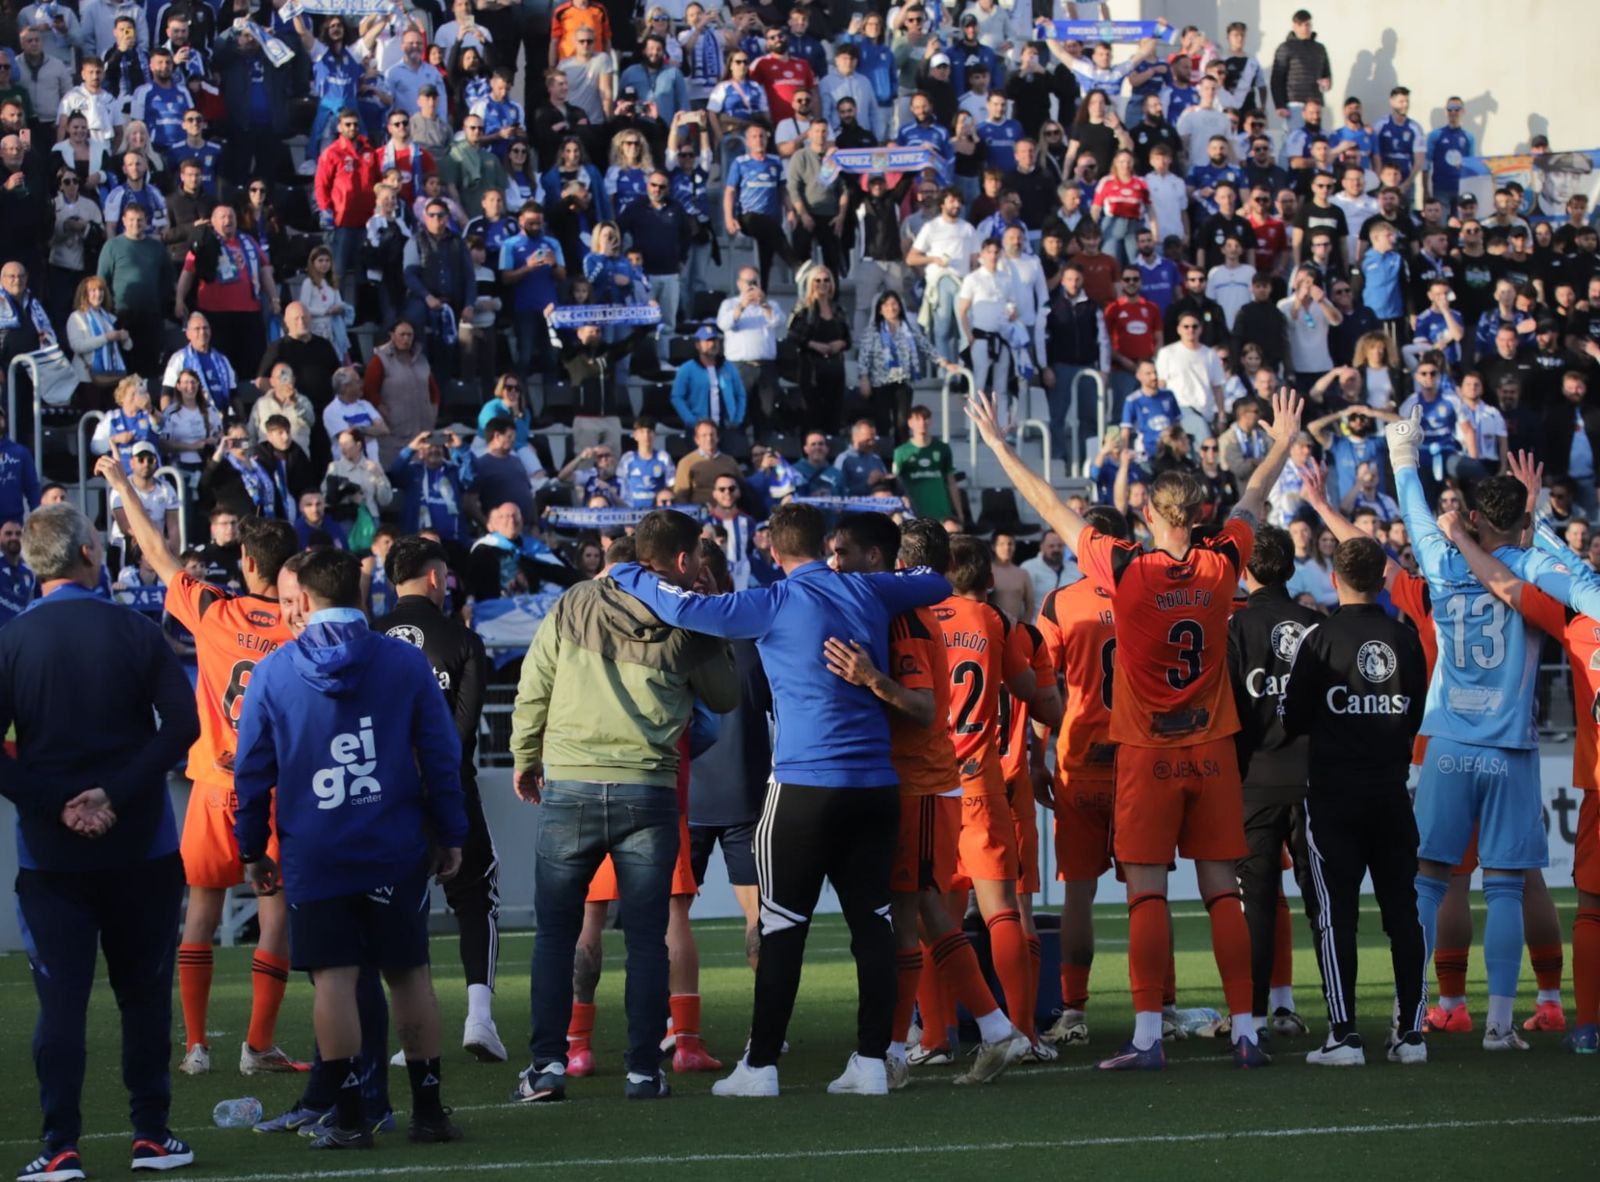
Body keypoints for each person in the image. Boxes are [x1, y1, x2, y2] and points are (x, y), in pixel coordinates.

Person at [968, 385, 1304, 1070]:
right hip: (1212, 750)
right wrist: (1281, 442)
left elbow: (1050, 507)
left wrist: (1002, 445)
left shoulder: (1123, 566)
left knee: (1146, 891)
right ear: (1203, 514)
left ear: (1149, 511)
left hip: (1147, 753)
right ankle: (1246, 1028)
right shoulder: (1222, 562)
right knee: (1221, 891)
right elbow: (1255, 499)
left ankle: (1148, 1036)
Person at [607, 503, 951, 1097]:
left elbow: (684, 607)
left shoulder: (771, 600)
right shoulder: (869, 590)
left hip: (803, 788)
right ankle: (871, 1064)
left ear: (772, 551)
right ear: (826, 545)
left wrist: (625, 572)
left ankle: (761, 1067)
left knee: (782, 926)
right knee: (872, 925)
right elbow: (937, 579)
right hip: (875, 787)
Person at [233, 547, 466, 1149]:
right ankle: (430, 1111)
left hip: (316, 849)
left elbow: (252, 772)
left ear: (303, 601)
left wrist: (252, 848)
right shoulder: (404, 663)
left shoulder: (276, 671)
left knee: (334, 980)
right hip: (392, 843)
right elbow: (441, 756)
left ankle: (348, 1118)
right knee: (409, 975)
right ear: (362, 596)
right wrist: (450, 833)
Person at [1384, 414, 1597, 1052]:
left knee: (1426, 880)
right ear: (1518, 522)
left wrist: (1404, 453)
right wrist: (1540, 524)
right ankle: (1502, 1025)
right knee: (1505, 884)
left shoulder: (1444, 559)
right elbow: (1587, 594)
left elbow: (1417, 513)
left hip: (1448, 741)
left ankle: (1410, 1012)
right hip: (1511, 748)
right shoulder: (1532, 566)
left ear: (1475, 517)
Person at [510, 510, 738, 1103]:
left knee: (556, 935)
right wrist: (710, 615)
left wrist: (524, 756)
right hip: (649, 790)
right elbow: (726, 696)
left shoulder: (574, 601)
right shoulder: (686, 614)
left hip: (572, 786)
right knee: (646, 938)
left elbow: (534, 686)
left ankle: (548, 1067)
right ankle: (643, 1070)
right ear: (684, 561)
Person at [1, 504, 201, 1182]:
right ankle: (152, 1134)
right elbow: (181, 727)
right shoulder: (133, 629)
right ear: (90, 552)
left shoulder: (12, 640)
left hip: (51, 856)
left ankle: (61, 1145)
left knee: (61, 1003)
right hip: (141, 845)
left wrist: (55, 805)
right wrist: (112, 794)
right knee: (142, 995)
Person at [94, 450, 303, 1077]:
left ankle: (194, 1047)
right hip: (274, 793)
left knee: (202, 912)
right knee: (274, 915)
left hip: (214, 785)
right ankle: (257, 1046)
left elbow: (155, 550)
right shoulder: (303, 628)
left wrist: (120, 480)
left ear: (245, 563)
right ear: (289, 569)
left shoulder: (215, 610)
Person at [1436, 514, 1600, 1054]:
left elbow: (1506, 584)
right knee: (1521, 879)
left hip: (1457, 746)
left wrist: (1463, 535)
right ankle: (1549, 1003)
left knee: (1445, 882)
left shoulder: (1576, 623)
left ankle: (1583, 1024)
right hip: (1513, 751)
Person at [1280, 535, 1429, 1065]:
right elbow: (1415, 712)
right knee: (1403, 914)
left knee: (1334, 915)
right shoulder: (1405, 638)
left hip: (1333, 798)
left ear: (1335, 579)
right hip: (1391, 793)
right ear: (1383, 578)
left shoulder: (1318, 639)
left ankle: (1343, 1035)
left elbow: (1292, 718)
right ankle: (1411, 1034)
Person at [374, 536, 501, 1061]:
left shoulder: (367, 637)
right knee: (477, 896)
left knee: (401, 908)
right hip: (450, 789)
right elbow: (462, 734)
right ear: (434, 578)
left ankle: (411, 1034)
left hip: (383, 795)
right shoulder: (463, 641)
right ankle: (479, 1019)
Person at [1226, 524, 1321, 1037]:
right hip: (1311, 783)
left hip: (1255, 783)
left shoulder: (1236, 630)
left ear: (1245, 571)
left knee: (1256, 906)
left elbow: (1233, 713)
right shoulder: (1314, 624)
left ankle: (1253, 1018)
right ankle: (1340, 1018)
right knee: (1324, 904)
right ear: (1290, 568)